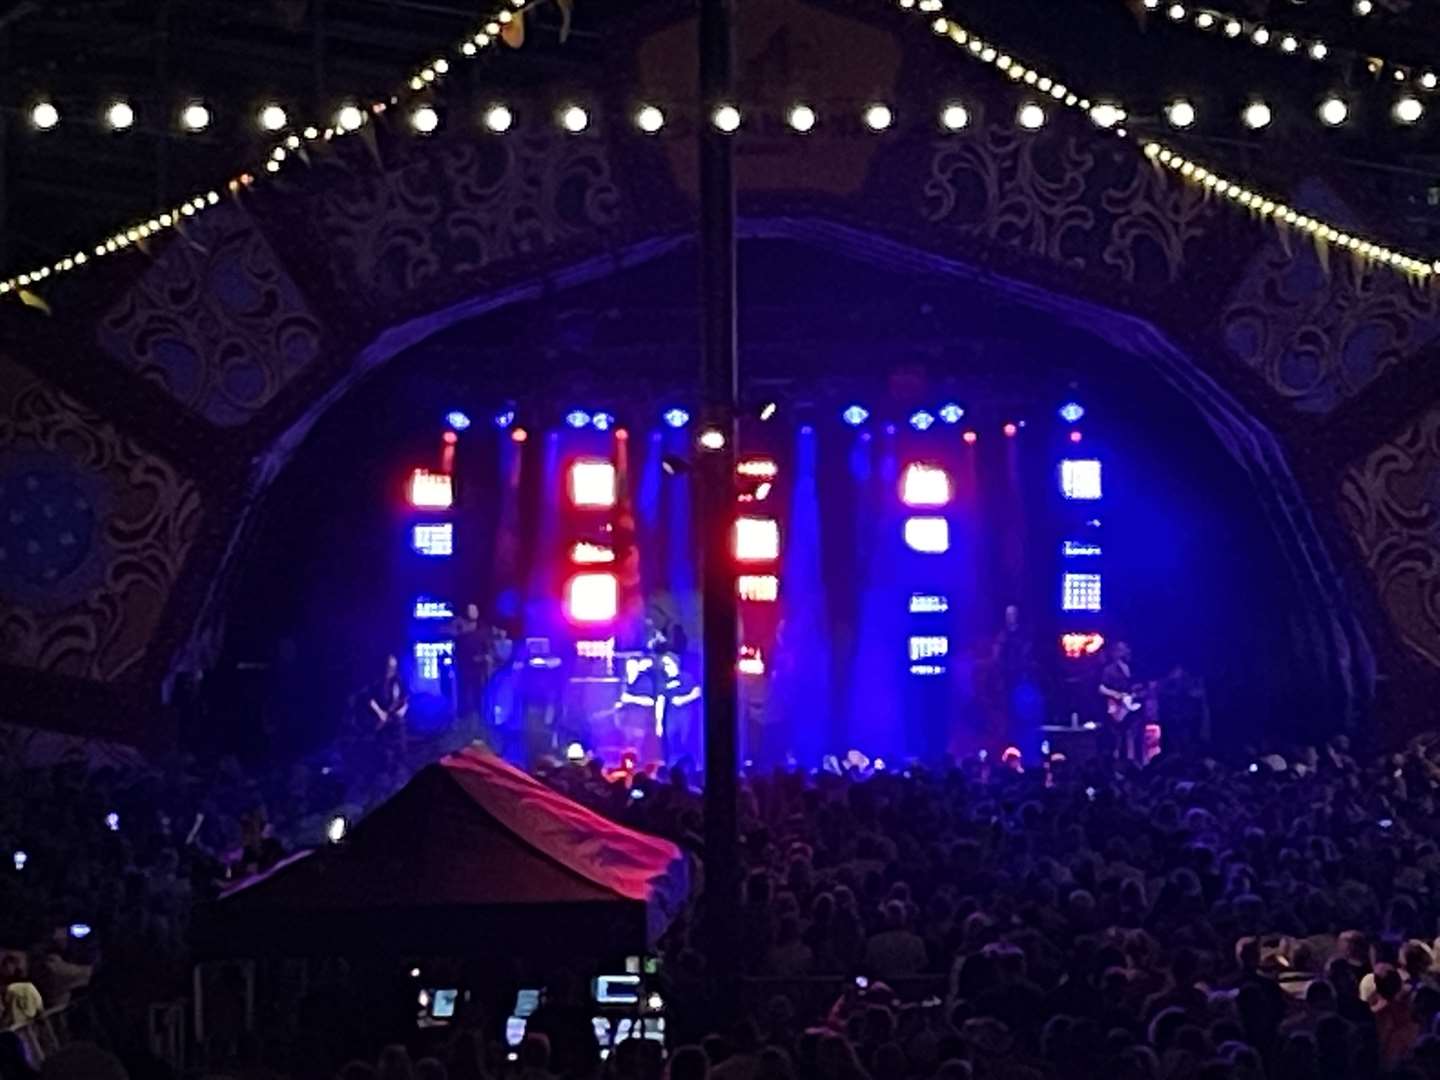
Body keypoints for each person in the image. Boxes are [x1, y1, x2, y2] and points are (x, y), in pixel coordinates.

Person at [1098, 641, 1140, 760]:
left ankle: (1131, 761)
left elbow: (1138, 687)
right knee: (1117, 737)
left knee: (1132, 734)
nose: (1127, 652)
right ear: (1116, 653)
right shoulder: (1109, 670)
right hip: (1117, 708)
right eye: (1123, 650)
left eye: (1127, 649)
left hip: (1131, 707)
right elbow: (1101, 688)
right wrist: (1117, 695)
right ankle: (1116, 762)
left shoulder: (1134, 668)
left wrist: (1136, 693)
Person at [368, 655, 409, 757]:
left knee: (400, 750)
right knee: (381, 749)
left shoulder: (398, 680)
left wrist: (403, 709)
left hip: (396, 720)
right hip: (379, 719)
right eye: (389, 667)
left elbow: (406, 697)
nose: (391, 670)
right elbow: (370, 698)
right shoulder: (376, 681)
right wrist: (380, 713)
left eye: (394, 667)